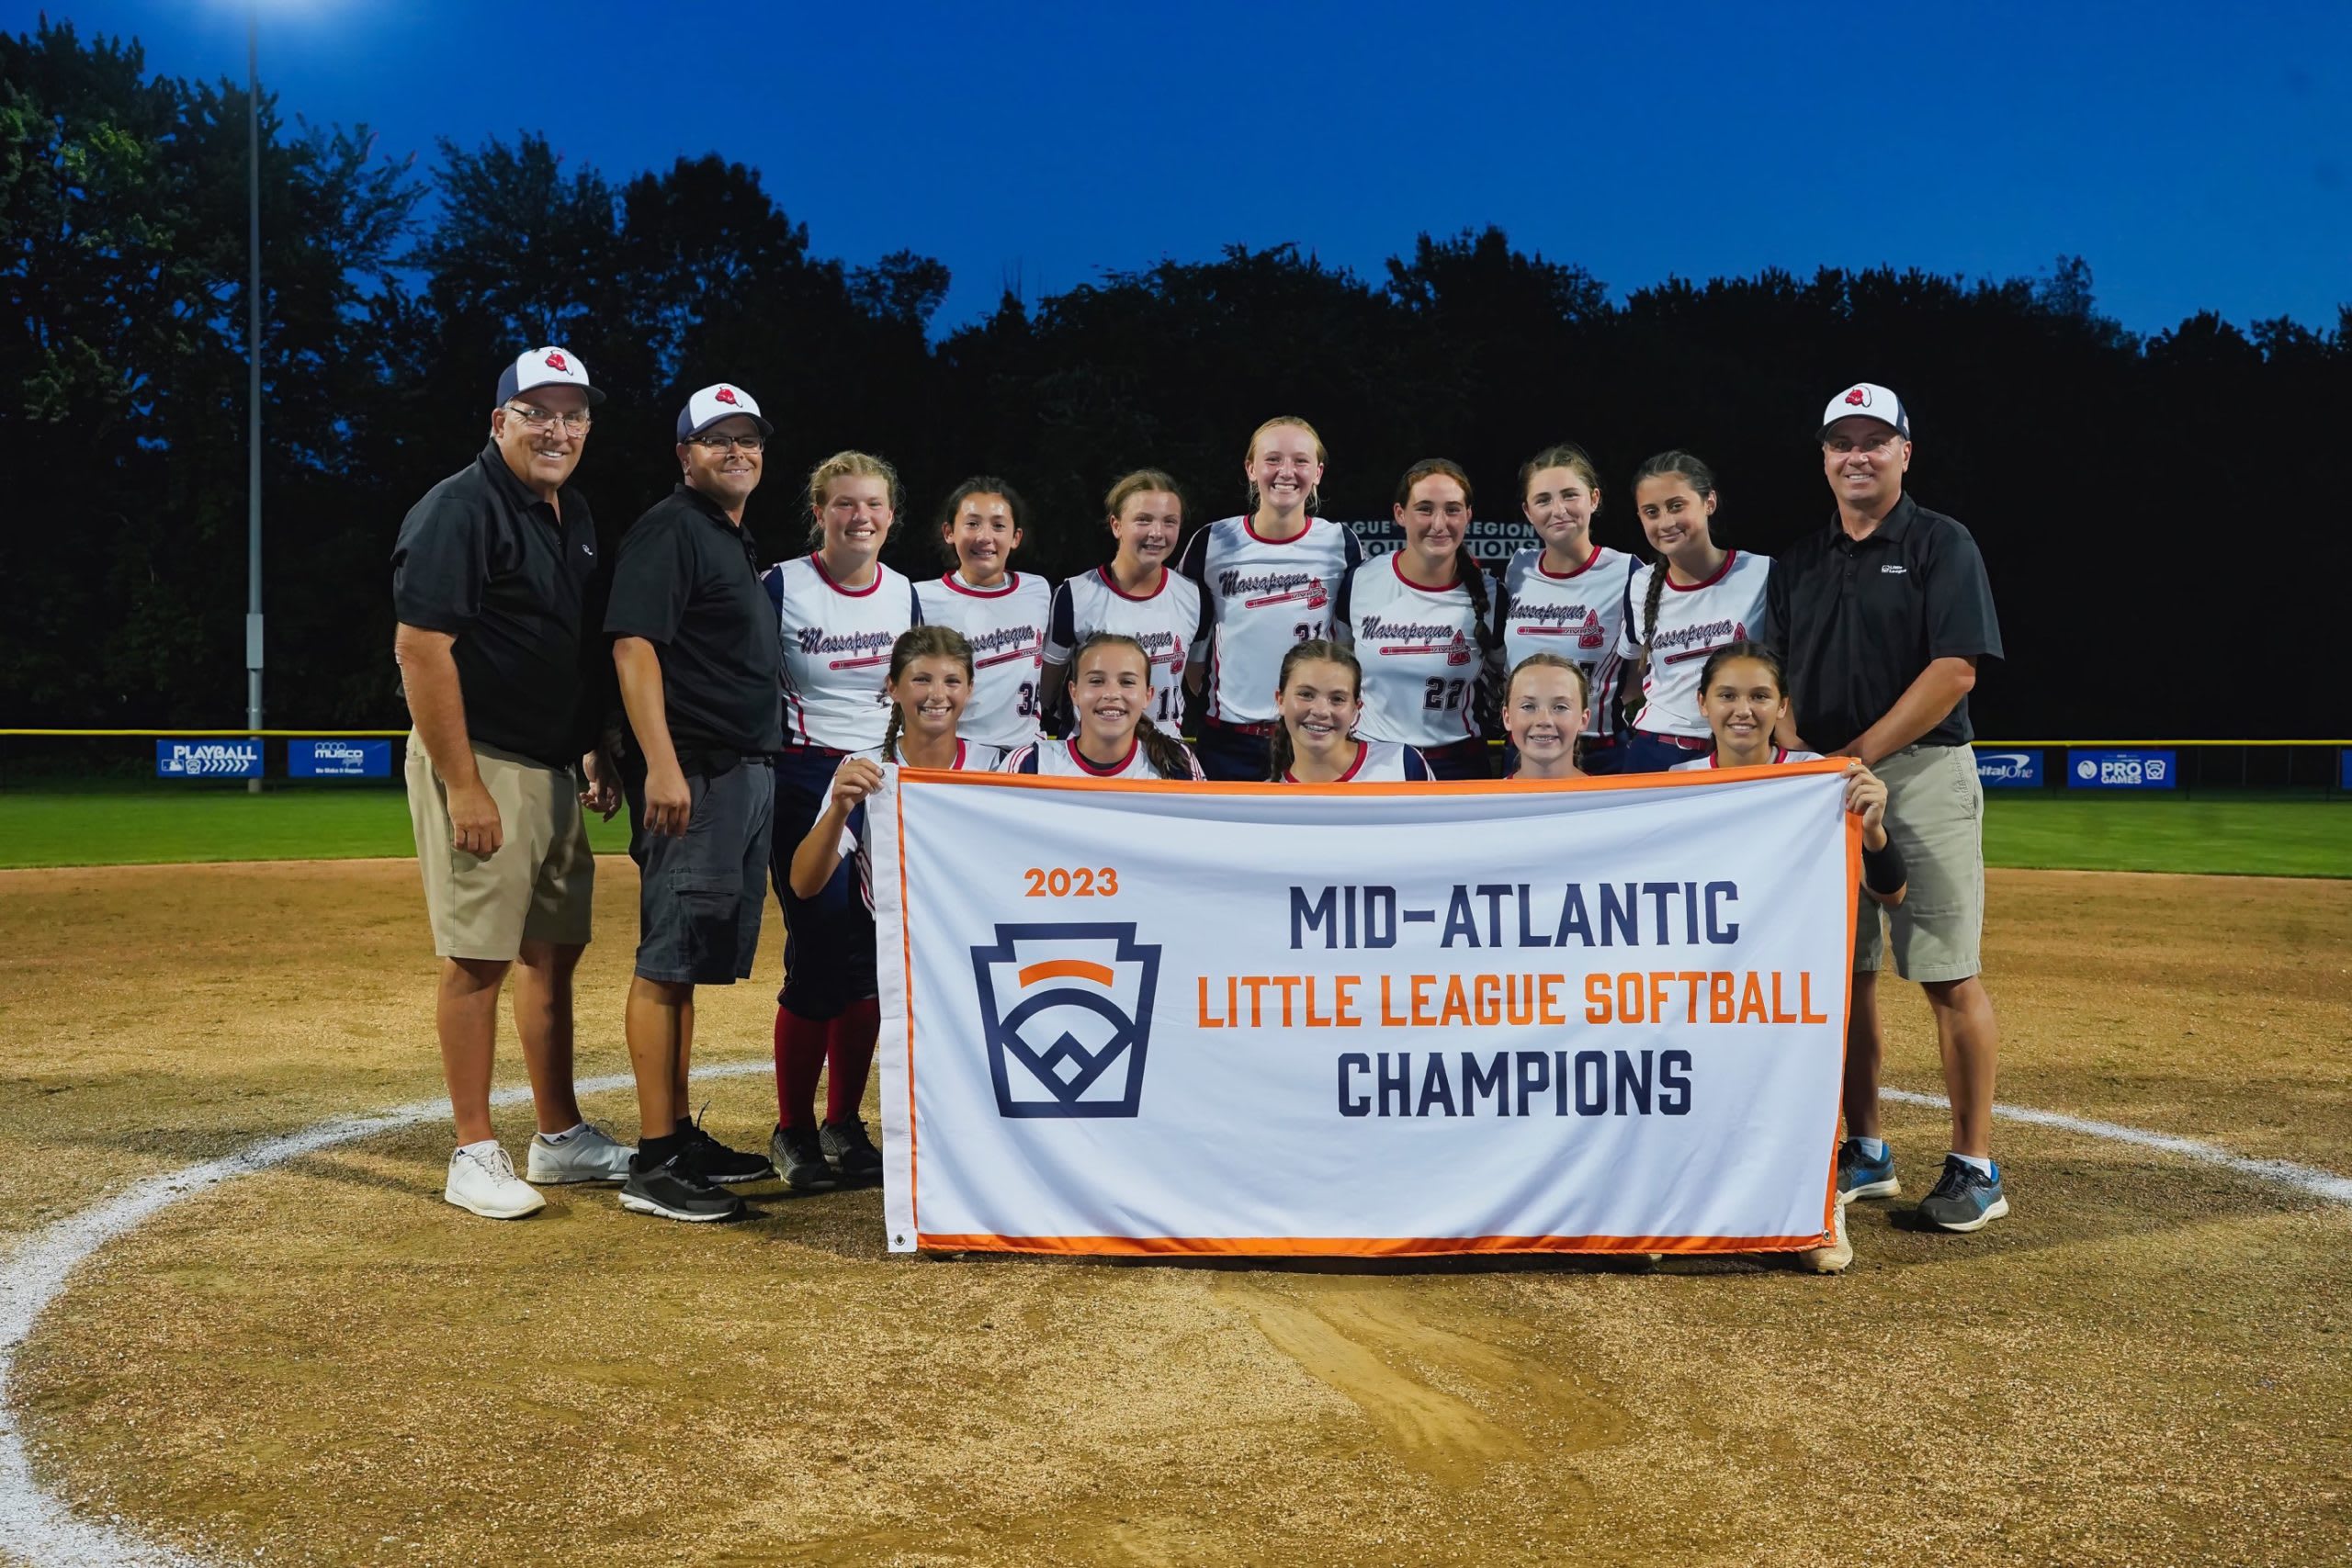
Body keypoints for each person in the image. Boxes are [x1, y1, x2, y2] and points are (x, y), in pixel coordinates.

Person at [390, 345, 631, 1219]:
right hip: (483, 758)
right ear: (500, 423)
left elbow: (570, 647)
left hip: (552, 765)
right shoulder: (462, 507)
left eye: (573, 414)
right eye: (538, 412)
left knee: (551, 953)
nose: (557, 429)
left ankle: (559, 1136)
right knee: (478, 958)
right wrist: (463, 785)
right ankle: (472, 1148)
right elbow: (421, 648)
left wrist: (596, 741)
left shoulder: (572, 512)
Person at [1763, 382, 2008, 1233]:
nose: (1857, 456)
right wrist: (1802, 754)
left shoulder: (1942, 543)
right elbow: (1774, 677)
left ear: (1906, 451)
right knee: (1847, 976)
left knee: (1944, 968)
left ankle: (1975, 1164)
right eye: (1841, 443)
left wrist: (1855, 755)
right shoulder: (1798, 559)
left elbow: (1956, 671)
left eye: (1875, 441)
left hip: (1921, 771)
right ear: (1824, 458)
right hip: (1821, 786)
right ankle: (1864, 1148)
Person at [602, 382, 786, 1223]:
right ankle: (653, 1161)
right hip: (698, 774)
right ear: (685, 455)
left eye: (748, 439)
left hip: (736, 771)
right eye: (717, 439)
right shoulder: (672, 527)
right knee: (666, 960)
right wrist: (660, 765)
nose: (736, 451)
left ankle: (676, 1132)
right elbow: (634, 646)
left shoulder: (727, 538)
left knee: (691, 964)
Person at [1671, 639, 1909, 1274]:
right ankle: (1678, 1202)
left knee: (1794, 1083)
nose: (1741, 709)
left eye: (1757, 696)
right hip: (1701, 980)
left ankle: (1809, 1205)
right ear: (1701, 704)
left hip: (1788, 981)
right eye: (1726, 695)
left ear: (1782, 705)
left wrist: (1876, 826)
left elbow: (1892, 889)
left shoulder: (1820, 777)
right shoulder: (1676, 785)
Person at [762, 451, 922, 1191]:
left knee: (871, 958)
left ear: (892, 515)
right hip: (804, 773)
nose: (860, 517)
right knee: (818, 945)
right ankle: (791, 1129)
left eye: (874, 504)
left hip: (885, 778)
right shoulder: (784, 585)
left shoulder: (905, 593)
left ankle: (843, 1122)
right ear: (819, 511)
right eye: (843, 503)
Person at [1179, 418, 1364, 780]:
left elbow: (1348, 647)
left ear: (1318, 473)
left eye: (1300, 461)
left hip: (1312, 738)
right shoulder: (1212, 541)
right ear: (1251, 468)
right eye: (1273, 459)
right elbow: (1191, 650)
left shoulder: (1339, 543)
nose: (1286, 472)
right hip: (1229, 743)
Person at [789, 626, 1008, 914]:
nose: (937, 694)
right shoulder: (866, 771)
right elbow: (804, 885)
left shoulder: (997, 768)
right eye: (921, 680)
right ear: (892, 687)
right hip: (893, 949)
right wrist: (838, 810)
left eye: (952, 681)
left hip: (980, 941)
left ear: (969, 689)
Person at [1332, 459, 1498, 780]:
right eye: (1424, 508)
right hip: (1372, 762)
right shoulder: (1360, 582)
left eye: (1452, 509)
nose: (1439, 523)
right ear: (1400, 514)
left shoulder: (1491, 595)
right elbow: (1338, 668)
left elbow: (1509, 679)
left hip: (1459, 765)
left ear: (1468, 516)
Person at [1613, 451, 1771, 773]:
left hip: (1739, 752)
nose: (1666, 522)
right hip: (1655, 753)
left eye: (1676, 506)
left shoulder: (1762, 573)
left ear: (1709, 502)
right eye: (1651, 512)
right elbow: (1632, 676)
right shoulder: (1640, 585)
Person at [1495, 445, 1635, 774]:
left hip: (1599, 749)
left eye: (1570, 495)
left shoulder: (1628, 573)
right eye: (1543, 500)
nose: (1558, 510)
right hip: (1524, 749)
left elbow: (1640, 675)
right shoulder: (1519, 568)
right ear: (1528, 512)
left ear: (1594, 499)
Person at [1041, 471, 1205, 739]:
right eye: (1143, 520)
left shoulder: (1193, 596)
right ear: (1116, 525)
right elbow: (1047, 690)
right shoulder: (1076, 595)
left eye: (1169, 522)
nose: (1157, 533)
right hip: (1089, 760)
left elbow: (1198, 683)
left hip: (1163, 759)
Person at [913, 479, 1051, 750]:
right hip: (955, 755)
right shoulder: (920, 599)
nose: (985, 536)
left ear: (1015, 538)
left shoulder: (1038, 590)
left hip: (1025, 753)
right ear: (949, 532)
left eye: (998, 525)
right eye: (972, 523)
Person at [1005, 634, 1204, 779]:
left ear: (1147, 695)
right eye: (1096, 681)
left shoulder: (1177, 764)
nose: (1111, 694)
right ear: (1074, 692)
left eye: (1127, 682)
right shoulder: (1031, 764)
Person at [1266, 639, 1433, 783]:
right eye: (1306, 694)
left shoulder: (1402, 765)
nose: (1321, 711)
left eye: (1337, 699)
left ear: (1355, 709)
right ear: (1281, 700)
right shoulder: (1264, 802)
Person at [1498, 652, 1589, 783]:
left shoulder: (1613, 800)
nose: (1544, 720)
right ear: (1507, 718)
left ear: (1583, 719)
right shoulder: (1489, 801)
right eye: (1528, 706)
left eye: (1560, 707)